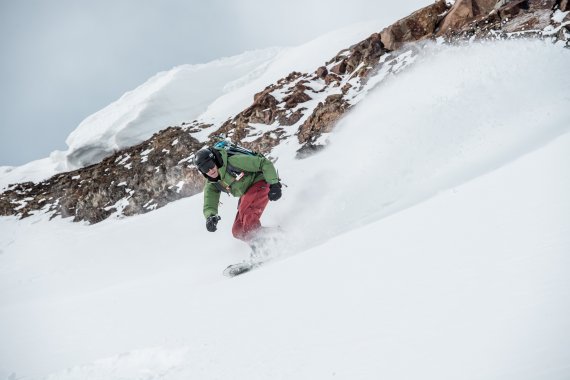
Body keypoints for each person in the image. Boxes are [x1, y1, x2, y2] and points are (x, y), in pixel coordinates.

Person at [194, 145, 282, 244]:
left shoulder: (233, 161)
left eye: (210, 165)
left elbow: (263, 163)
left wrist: (274, 184)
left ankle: (263, 247)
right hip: (247, 194)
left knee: (247, 214)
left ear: (214, 160)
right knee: (238, 230)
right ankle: (277, 235)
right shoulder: (212, 183)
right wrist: (210, 217)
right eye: (205, 169)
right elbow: (209, 202)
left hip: (260, 183)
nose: (210, 170)